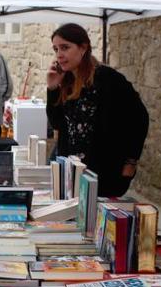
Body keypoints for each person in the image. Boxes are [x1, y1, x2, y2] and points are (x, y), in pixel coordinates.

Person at [46, 23, 149, 197]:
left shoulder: (108, 79)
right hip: (72, 173)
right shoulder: (67, 82)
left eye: (65, 48)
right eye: (56, 49)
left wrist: (131, 161)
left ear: (83, 48)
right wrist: (52, 88)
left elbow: (140, 118)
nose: (59, 55)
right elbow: (57, 124)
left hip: (104, 172)